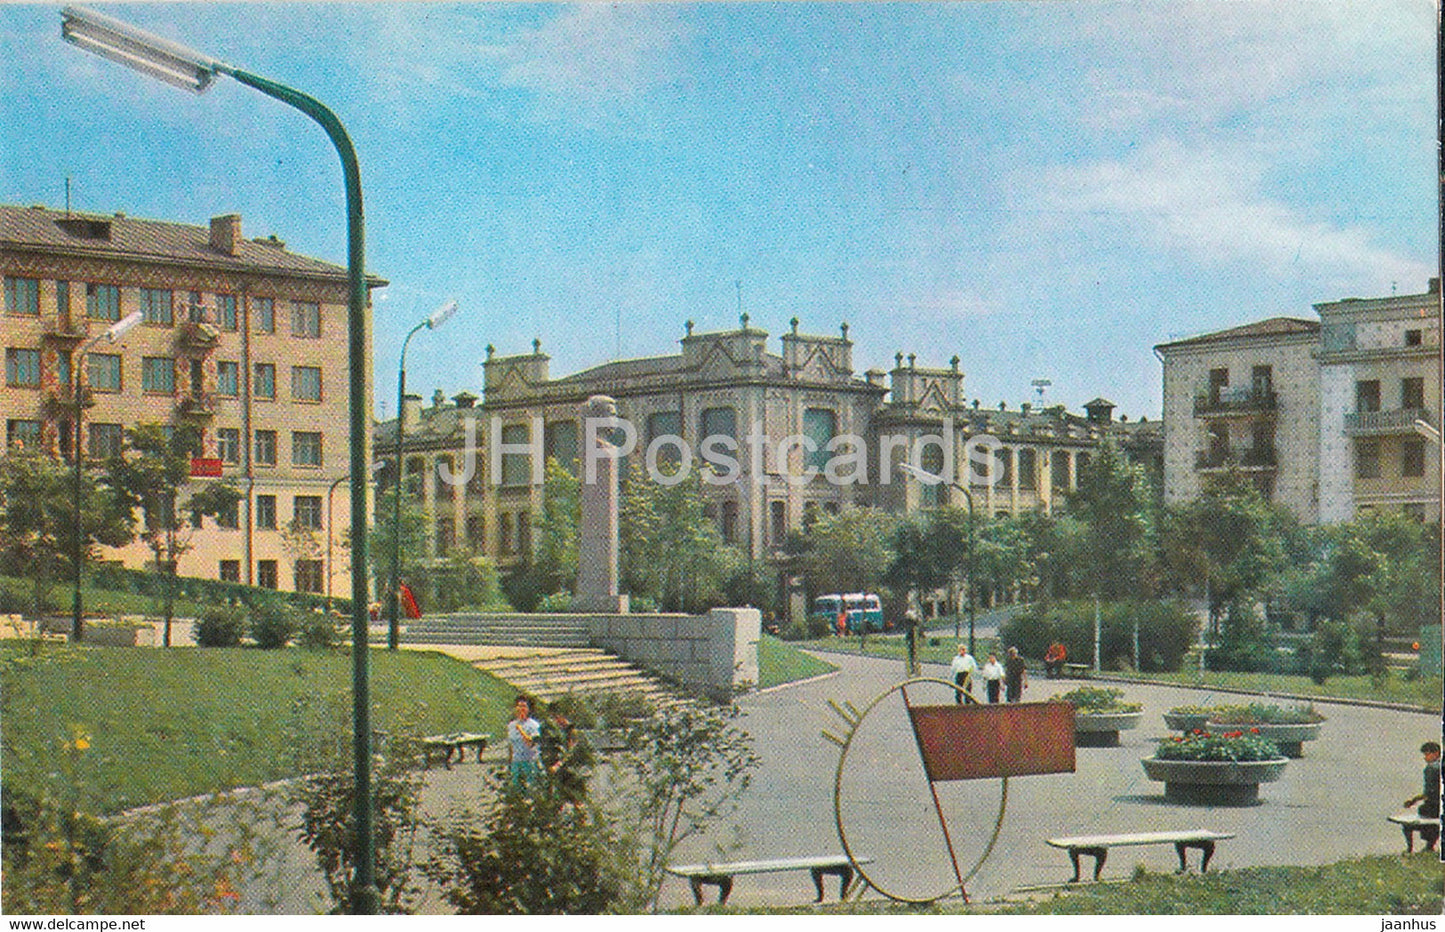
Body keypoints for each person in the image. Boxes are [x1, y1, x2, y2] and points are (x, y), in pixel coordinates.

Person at [539, 709, 593, 806]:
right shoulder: (561, 733)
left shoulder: (574, 733)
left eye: (558, 717)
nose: (557, 721)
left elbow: (571, 752)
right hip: (568, 767)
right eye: (555, 718)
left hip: (580, 767)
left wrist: (557, 765)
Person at [1403, 741, 1441, 851]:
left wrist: (1413, 801)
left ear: (1436, 753)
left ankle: (1412, 848)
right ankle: (1430, 845)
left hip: (1435, 807)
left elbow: (1429, 792)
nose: (1425, 758)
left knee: (1421, 814)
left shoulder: (1432, 769)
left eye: (1427, 754)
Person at [506, 694, 542, 791]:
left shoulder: (533, 725)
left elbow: (531, 743)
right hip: (516, 762)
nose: (521, 709)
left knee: (531, 789)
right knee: (516, 790)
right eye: (519, 706)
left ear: (529, 709)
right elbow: (511, 746)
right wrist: (509, 764)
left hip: (529, 761)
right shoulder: (511, 725)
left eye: (524, 706)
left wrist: (521, 730)